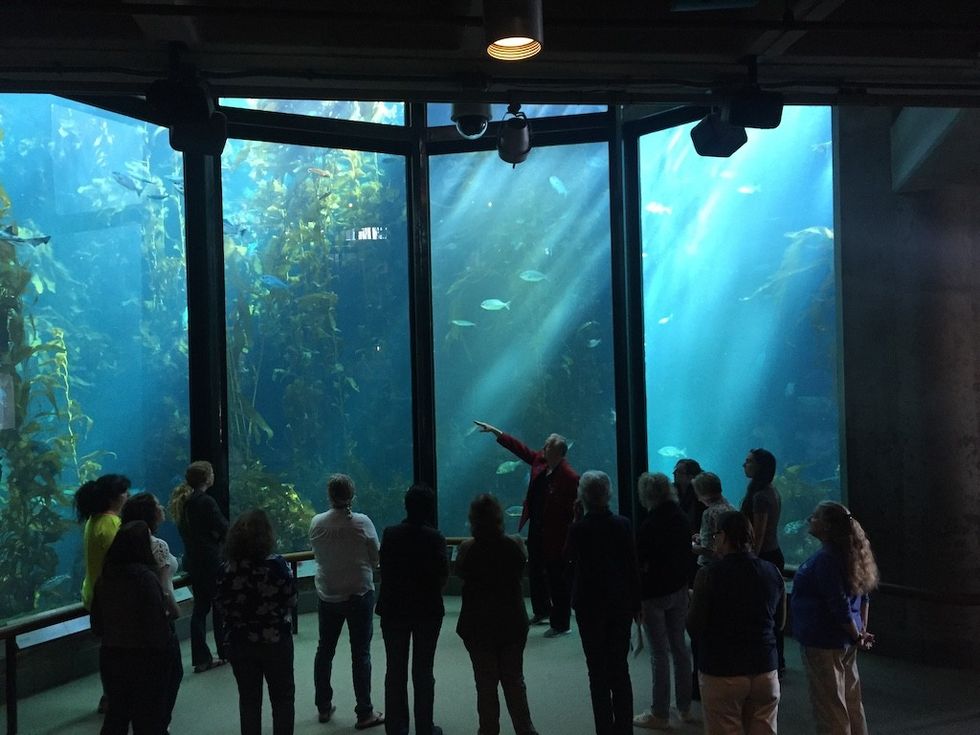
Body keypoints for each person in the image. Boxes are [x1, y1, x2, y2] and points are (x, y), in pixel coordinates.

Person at [473, 420, 579, 637]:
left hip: (556, 534)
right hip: (537, 526)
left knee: (557, 577)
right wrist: (496, 433)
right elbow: (520, 449)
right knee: (536, 570)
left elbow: (575, 511)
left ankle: (562, 623)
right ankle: (542, 611)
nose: (543, 447)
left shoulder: (569, 477)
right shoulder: (540, 461)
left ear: (559, 451)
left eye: (548, 445)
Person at [686, 511, 785, 735]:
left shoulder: (708, 575)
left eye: (715, 535)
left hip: (722, 670)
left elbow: (694, 627)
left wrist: (691, 603)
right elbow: (780, 623)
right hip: (765, 669)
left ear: (723, 536)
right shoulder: (772, 571)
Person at [792, 501, 879, 735]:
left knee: (830, 706)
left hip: (824, 641)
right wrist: (859, 632)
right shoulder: (851, 554)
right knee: (851, 701)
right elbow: (864, 597)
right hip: (846, 640)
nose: (810, 519)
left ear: (828, 526)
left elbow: (837, 603)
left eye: (815, 516)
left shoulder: (826, 560)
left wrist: (855, 633)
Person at [456, 493, 538, 735]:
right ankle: (526, 729)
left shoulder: (467, 548)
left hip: (478, 625)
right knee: (514, 680)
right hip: (512, 623)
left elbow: (459, 572)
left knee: (485, 682)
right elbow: (523, 567)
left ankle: (488, 730)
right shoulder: (516, 544)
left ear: (473, 520)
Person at [565, 470, 640, 735]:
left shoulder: (579, 528)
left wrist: (576, 519)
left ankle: (604, 730)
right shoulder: (623, 524)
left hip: (589, 604)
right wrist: (635, 604)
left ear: (582, 497)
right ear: (608, 494)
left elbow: (568, 557)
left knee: (596, 671)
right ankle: (624, 729)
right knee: (620, 669)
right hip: (619, 602)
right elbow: (632, 565)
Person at [310, 473, 385, 729]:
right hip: (359, 594)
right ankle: (364, 712)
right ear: (352, 495)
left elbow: (318, 554)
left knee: (324, 650)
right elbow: (376, 558)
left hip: (328, 595)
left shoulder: (316, 523)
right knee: (360, 653)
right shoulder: (362, 523)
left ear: (329, 496)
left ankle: (323, 705)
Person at [90, 521, 179, 735]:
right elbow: (157, 622)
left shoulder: (105, 579)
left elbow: (97, 623)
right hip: (145, 657)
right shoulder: (145, 578)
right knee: (149, 717)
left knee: (117, 715)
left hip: (112, 655)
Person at [215, 510, 298, 735]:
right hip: (276, 641)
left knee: (249, 700)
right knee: (283, 698)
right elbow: (291, 599)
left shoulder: (226, 569)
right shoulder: (277, 565)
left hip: (240, 642)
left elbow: (221, 606)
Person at [376, 484, 449, 735]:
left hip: (394, 609)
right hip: (427, 611)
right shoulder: (436, 537)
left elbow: (384, 568)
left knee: (395, 670)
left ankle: (396, 728)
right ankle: (425, 727)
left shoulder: (390, 533)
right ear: (430, 509)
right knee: (423, 670)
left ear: (405, 505)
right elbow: (442, 576)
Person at [632, 472, 696, 730]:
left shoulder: (649, 524)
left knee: (659, 653)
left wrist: (636, 599)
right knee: (680, 648)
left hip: (654, 595)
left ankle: (659, 712)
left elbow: (639, 562)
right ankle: (685, 707)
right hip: (679, 590)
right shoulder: (681, 517)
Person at [121, 493, 182, 729]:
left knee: (140, 688)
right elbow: (165, 588)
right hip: (160, 622)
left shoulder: (122, 542)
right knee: (168, 678)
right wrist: (174, 611)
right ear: (149, 514)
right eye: (157, 504)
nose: (162, 506)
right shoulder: (157, 546)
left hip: (131, 627)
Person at [75, 473, 131, 714]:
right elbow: (121, 560)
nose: (127, 496)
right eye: (124, 492)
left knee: (110, 648)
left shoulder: (93, 520)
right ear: (114, 498)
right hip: (112, 598)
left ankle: (112, 695)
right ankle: (116, 696)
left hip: (96, 594)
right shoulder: (110, 524)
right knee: (119, 651)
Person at [170, 459, 228, 674]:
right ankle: (225, 650)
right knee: (220, 606)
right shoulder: (206, 502)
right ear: (207, 478)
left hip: (194, 562)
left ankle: (201, 657)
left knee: (200, 609)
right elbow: (223, 527)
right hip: (211, 561)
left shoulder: (184, 502)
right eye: (211, 473)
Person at [740, 448, 785, 675]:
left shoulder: (760, 496)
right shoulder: (771, 491)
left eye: (748, 462)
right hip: (774, 554)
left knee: (764, 613)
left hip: (764, 556)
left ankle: (770, 660)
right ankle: (779, 658)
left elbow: (757, 534)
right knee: (772, 612)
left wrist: (751, 561)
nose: (743, 465)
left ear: (759, 467)